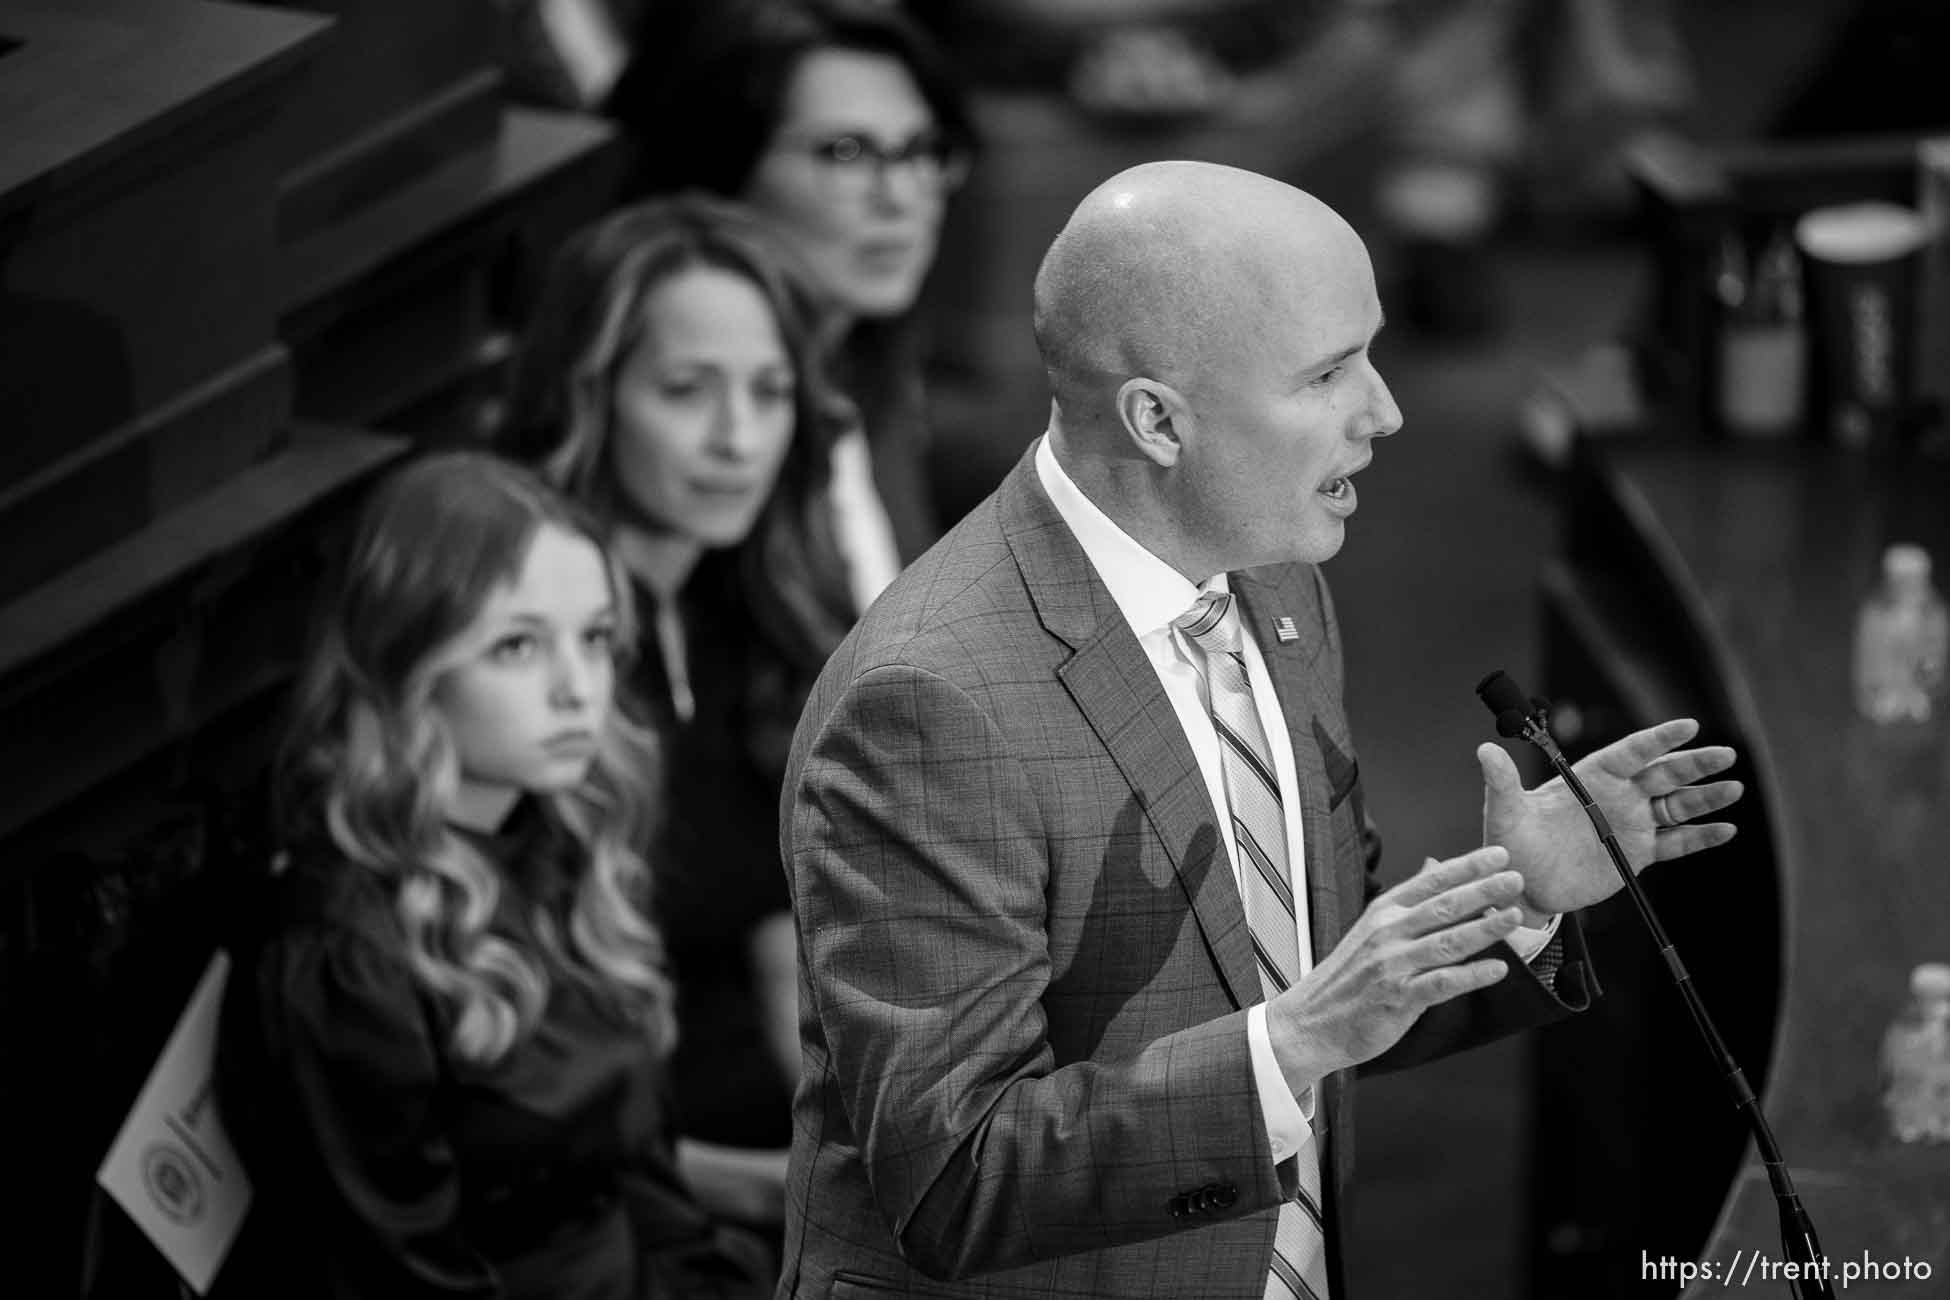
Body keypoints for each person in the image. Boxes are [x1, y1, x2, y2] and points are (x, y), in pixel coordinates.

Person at [776, 161, 1745, 1298]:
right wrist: (1292, 1041)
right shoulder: (928, 704)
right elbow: (956, 1179)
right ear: (1156, 421)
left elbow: (1296, 972)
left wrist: (1512, 899)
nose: (1385, 412)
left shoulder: (1274, 581)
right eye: (1328, 373)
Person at [217, 451, 774, 1298]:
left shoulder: (558, 844)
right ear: (409, 668)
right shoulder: (346, 955)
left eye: (594, 639)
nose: (578, 689)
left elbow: (646, 1195)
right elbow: (399, 1279)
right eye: (516, 647)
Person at [498, 195, 855, 1227]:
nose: (737, 438)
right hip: (614, 1204)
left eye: (770, 391)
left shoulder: (759, 609)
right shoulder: (525, 656)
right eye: (686, 391)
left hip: (777, 1148)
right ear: (589, 393)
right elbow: (514, 1099)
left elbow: (800, 960)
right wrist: (789, 1193)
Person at [604, 0, 979, 579]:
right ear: (720, 168)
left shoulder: (873, 378)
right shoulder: (687, 454)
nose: (901, 197)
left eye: (922, 150)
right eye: (845, 152)